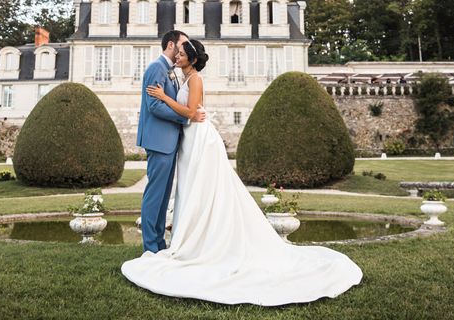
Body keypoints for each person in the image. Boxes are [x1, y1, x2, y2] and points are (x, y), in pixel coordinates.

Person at [121, 40, 362, 306]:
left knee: (204, 188)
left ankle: (202, 241)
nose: (176, 56)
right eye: (176, 53)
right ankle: (188, 237)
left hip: (200, 137)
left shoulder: (196, 79)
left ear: (191, 59)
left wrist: (165, 97)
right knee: (191, 189)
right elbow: (189, 111)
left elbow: (190, 112)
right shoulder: (181, 76)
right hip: (189, 138)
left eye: (180, 54)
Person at [136, 30, 206, 253]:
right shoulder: (156, 68)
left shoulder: (171, 71)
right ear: (170, 45)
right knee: (155, 196)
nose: (184, 49)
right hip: (158, 140)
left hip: (169, 141)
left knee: (164, 197)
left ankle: (159, 244)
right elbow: (154, 105)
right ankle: (150, 247)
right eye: (182, 44)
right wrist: (187, 116)